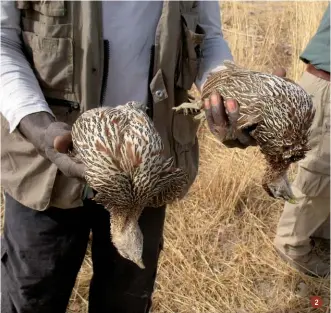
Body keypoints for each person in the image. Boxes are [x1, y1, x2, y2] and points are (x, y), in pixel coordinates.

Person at [0, 1, 247, 312]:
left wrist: (223, 88)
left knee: (127, 297)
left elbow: (209, 38)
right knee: (33, 297)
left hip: (146, 167)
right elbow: (3, 38)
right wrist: (37, 126)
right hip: (46, 169)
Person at [274, 4, 330, 277]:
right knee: (320, 171)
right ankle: (291, 244)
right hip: (327, 89)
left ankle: (319, 228)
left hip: (323, 86)